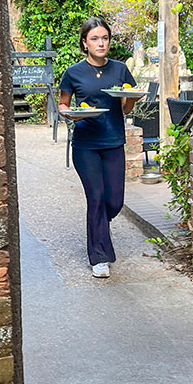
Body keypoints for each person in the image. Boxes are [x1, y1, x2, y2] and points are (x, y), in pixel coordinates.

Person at [58, 17, 143, 278]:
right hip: (85, 144)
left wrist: (130, 99)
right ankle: (99, 256)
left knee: (114, 201)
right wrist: (70, 114)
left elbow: (126, 108)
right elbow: (63, 105)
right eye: (94, 38)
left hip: (113, 141)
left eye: (104, 38)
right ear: (85, 43)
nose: (101, 43)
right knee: (95, 197)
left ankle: (99, 229)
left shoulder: (120, 70)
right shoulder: (73, 72)